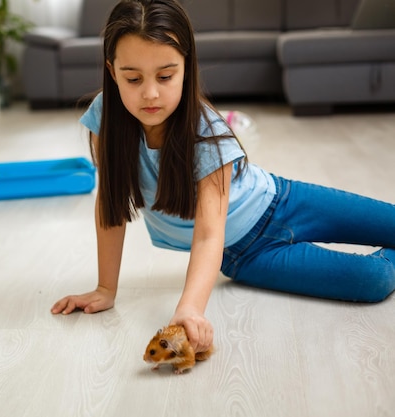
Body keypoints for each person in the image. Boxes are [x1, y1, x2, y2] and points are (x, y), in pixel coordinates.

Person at [50, 0, 395, 353]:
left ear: (187, 66)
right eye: (133, 78)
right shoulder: (104, 119)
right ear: (111, 70)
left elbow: (207, 234)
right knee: (374, 280)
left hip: (283, 203)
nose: (150, 93)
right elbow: (110, 206)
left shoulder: (207, 131)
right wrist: (106, 288)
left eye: (166, 76)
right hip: (243, 257)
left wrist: (189, 308)